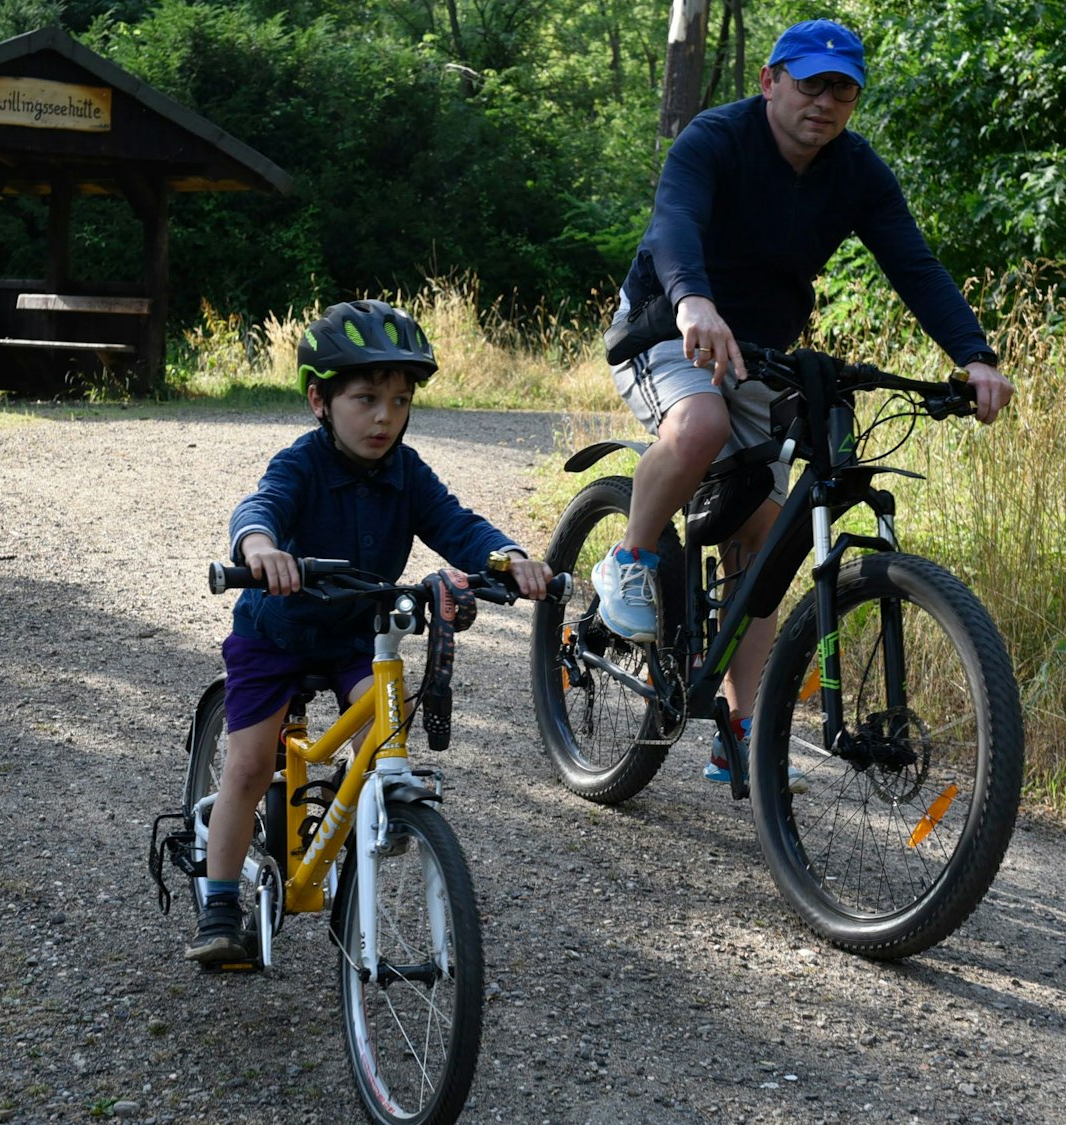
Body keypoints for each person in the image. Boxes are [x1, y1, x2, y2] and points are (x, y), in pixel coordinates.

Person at [595, 18, 1015, 784]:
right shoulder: (714, 141)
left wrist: (974, 355)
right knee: (700, 424)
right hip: (668, 324)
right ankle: (628, 557)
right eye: (810, 83)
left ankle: (740, 724)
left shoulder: (856, 172)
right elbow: (675, 226)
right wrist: (692, 303)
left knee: (770, 533)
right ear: (770, 82)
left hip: (762, 351)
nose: (824, 101)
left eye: (842, 89)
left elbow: (913, 264)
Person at [186, 298, 554, 964]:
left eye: (400, 399)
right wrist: (260, 546)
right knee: (246, 766)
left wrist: (507, 557)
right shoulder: (302, 464)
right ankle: (218, 903)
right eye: (365, 398)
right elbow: (261, 504)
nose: (386, 416)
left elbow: (457, 524)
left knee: (387, 736)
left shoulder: (406, 472)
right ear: (319, 402)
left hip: (359, 633)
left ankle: (364, 831)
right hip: (278, 634)